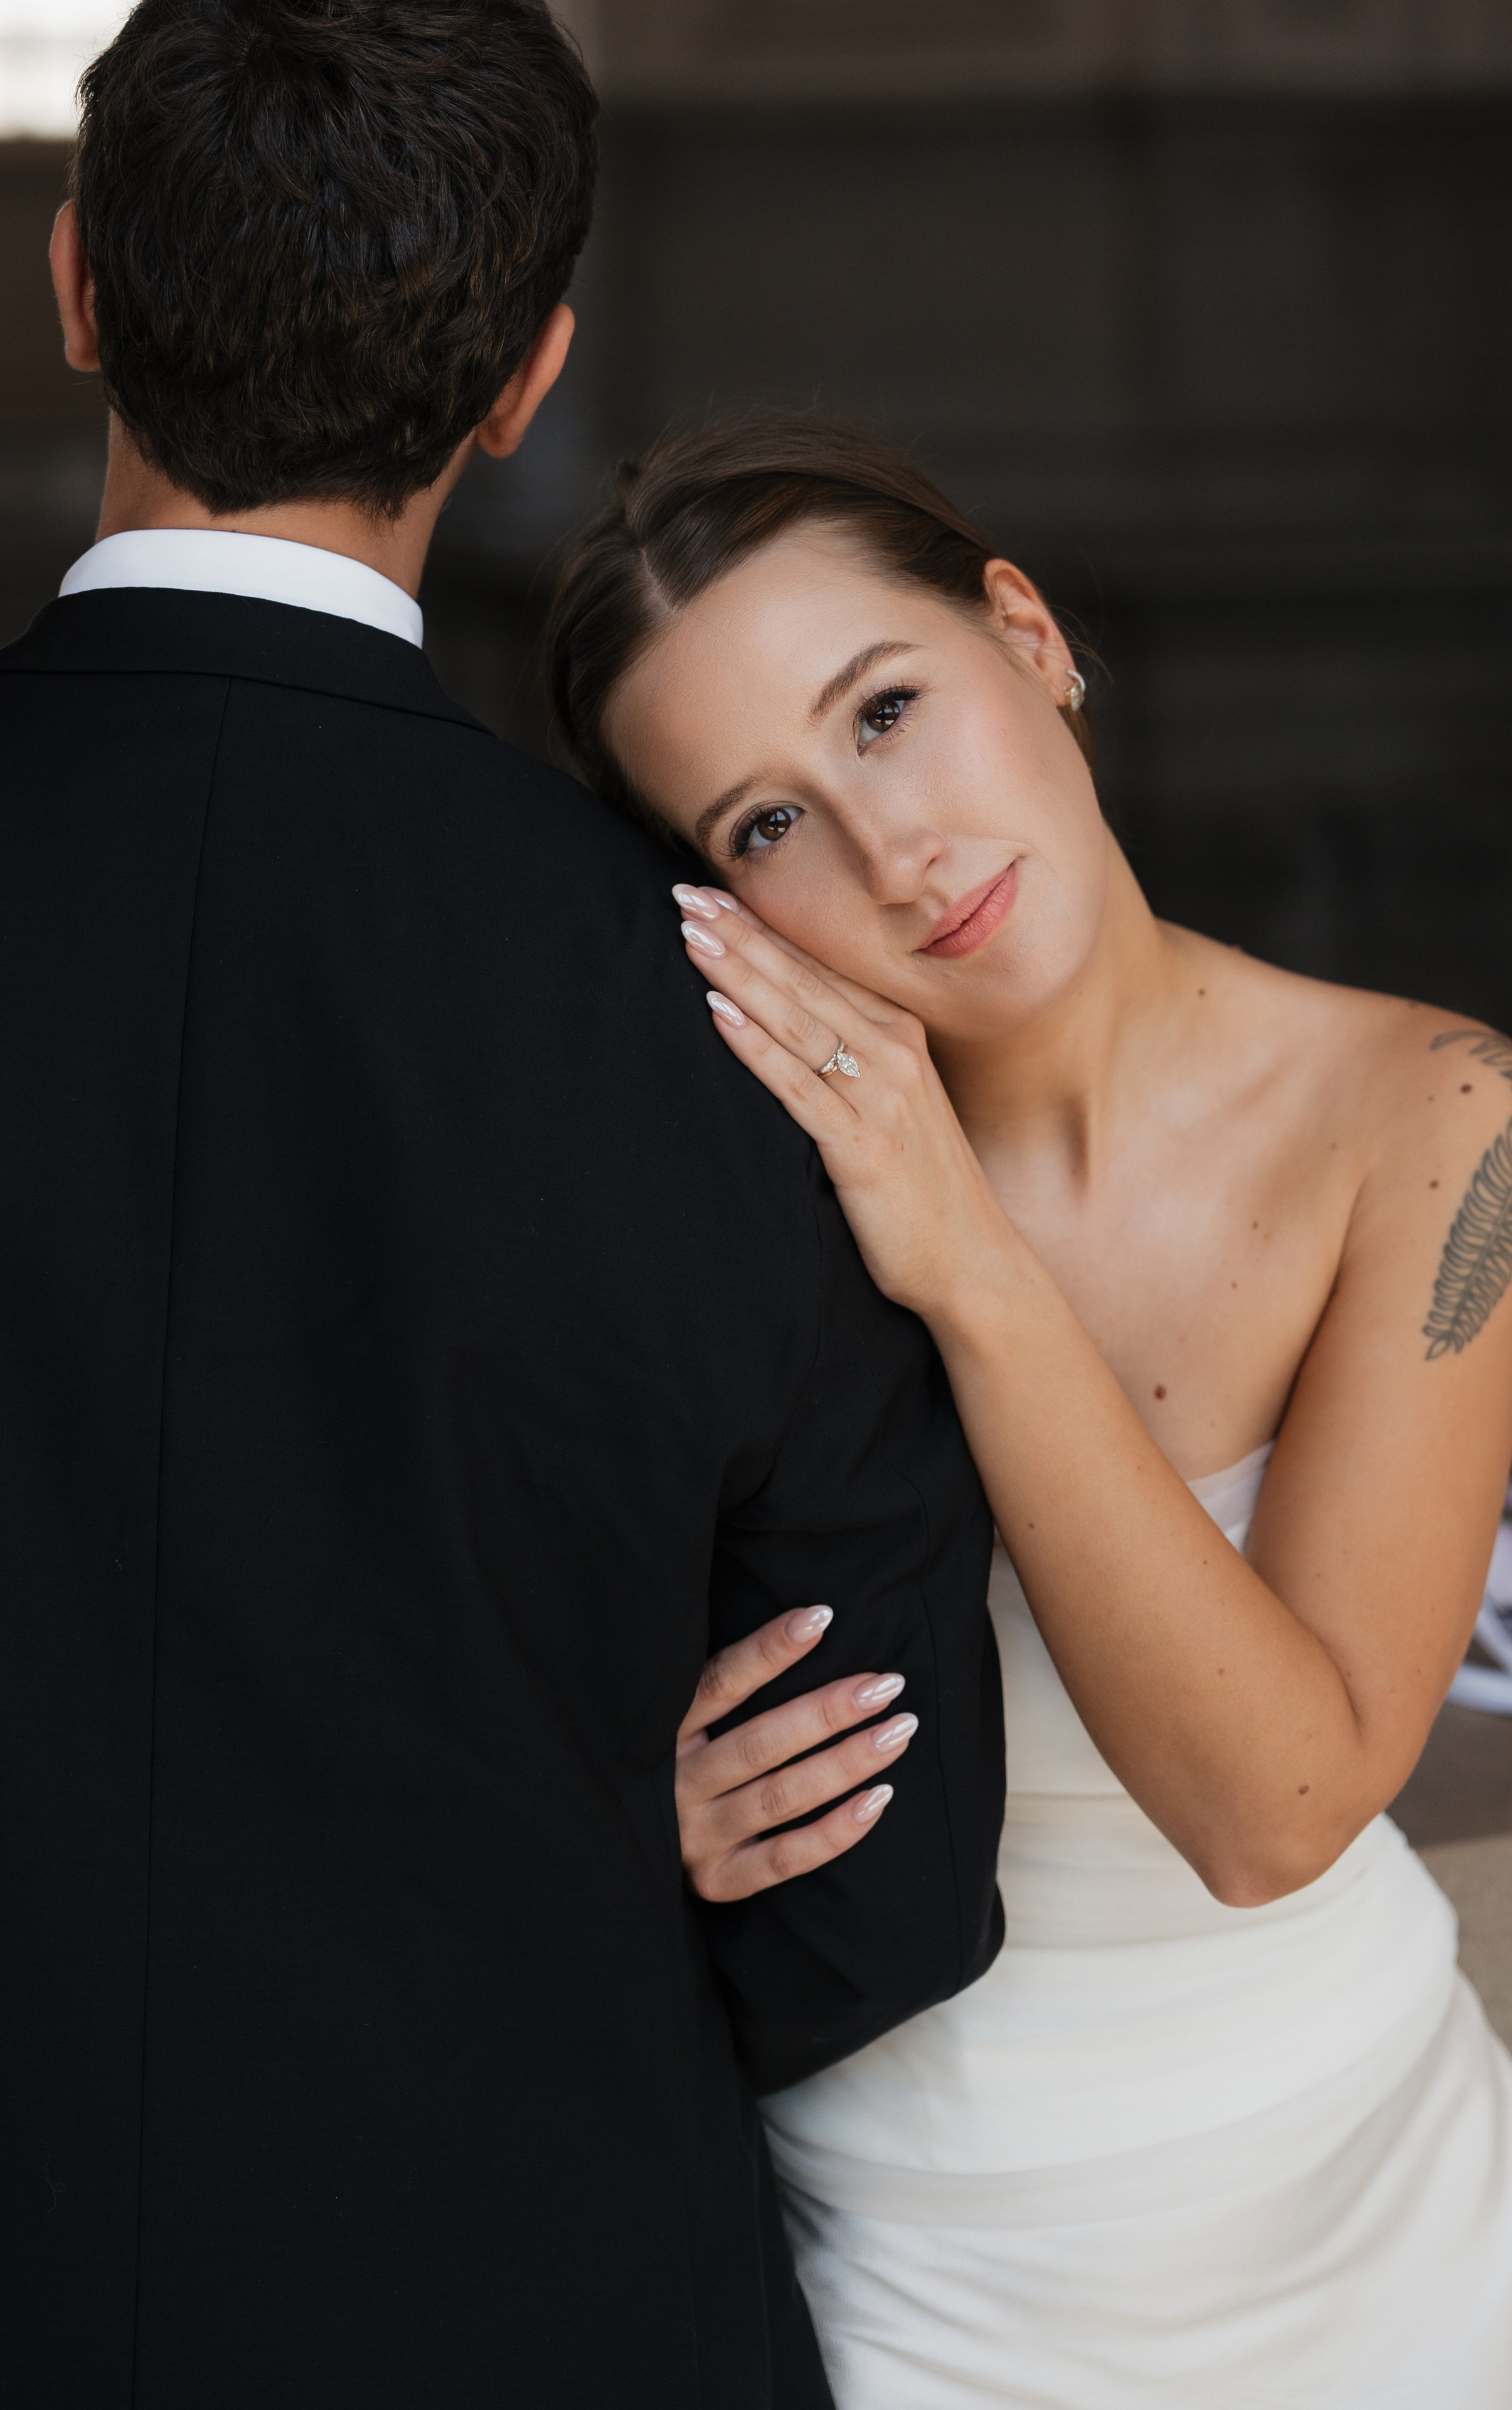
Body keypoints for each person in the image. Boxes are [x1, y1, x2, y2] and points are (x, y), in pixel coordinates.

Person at [0, 19, 1006, 2406]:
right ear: (525, 384)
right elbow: (881, 1895)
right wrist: (601, 1834)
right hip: (541, 2316)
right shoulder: (742, 1020)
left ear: (78, 282)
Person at [544, 414, 1512, 2408]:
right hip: (917, 2272)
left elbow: (1280, 1806)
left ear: (1030, 633)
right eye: (764, 822)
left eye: (887, 710)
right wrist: (618, 1834)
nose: (891, 851)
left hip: (1377, 2217)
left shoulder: (1439, 1122)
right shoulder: (699, 1213)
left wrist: (967, 1262)